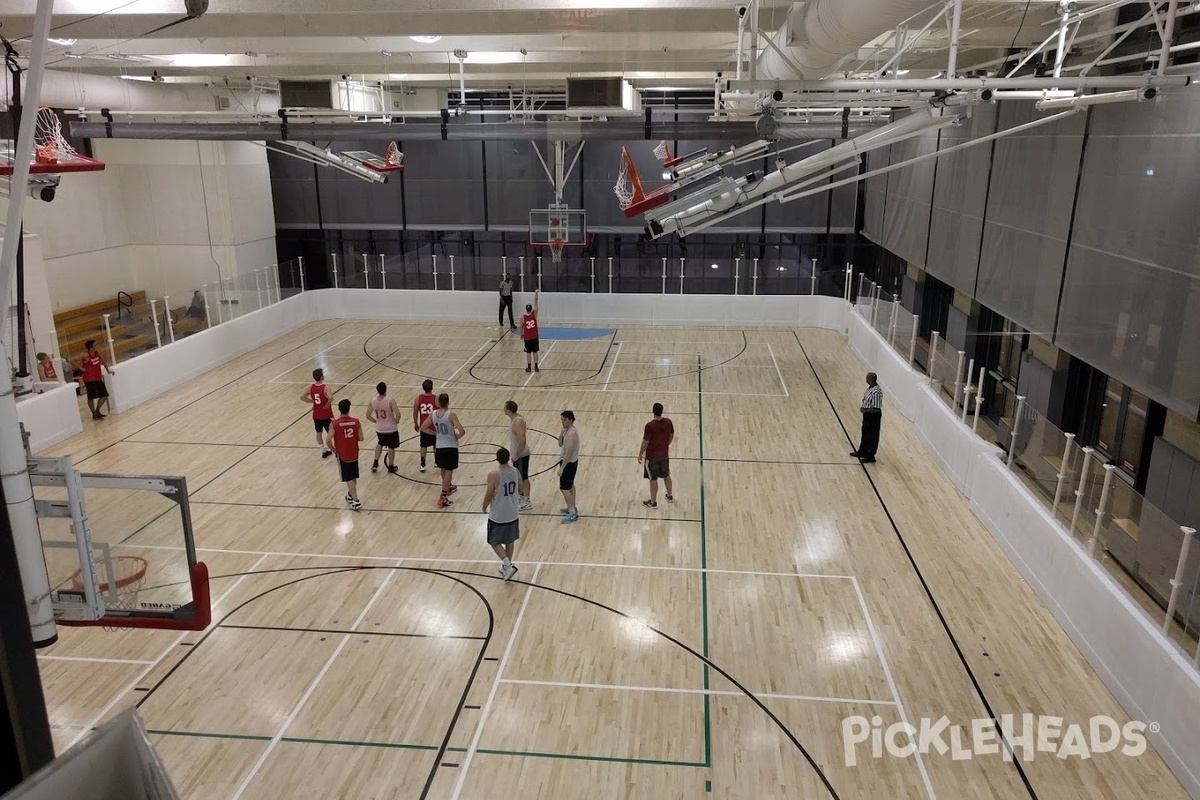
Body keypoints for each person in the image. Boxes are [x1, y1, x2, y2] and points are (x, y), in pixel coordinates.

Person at [482, 447, 522, 581]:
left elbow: (488, 495)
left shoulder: (494, 475)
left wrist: (484, 506)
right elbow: (521, 489)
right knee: (509, 541)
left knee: (494, 541)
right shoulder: (516, 471)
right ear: (508, 457)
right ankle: (507, 568)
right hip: (513, 512)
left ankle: (507, 565)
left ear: (497, 459)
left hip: (499, 515)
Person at [421, 392, 466, 508]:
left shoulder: (433, 414)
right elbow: (462, 431)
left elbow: (422, 427)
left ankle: (448, 488)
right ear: (448, 402)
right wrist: (456, 436)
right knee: (449, 471)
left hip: (439, 446)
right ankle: (443, 496)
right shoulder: (451, 414)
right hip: (450, 446)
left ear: (438, 402)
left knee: (443, 468)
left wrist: (435, 433)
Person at [327, 398, 364, 510]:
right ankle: (350, 495)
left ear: (339, 410)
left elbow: (328, 440)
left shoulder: (334, 424)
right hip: (354, 452)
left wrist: (333, 449)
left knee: (348, 477)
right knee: (353, 476)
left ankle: (356, 500)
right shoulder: (356, 421)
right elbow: (361, 438)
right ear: (349, 409)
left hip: (343, 454)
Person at [638, 402, 675, 508]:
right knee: (666, 475)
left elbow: (645, 442)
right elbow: (672, 435)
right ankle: (670, 496)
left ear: (653, 411)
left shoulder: (650, 426)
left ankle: (653, 502)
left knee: (653, 479)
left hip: (652, 458)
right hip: (664, 455)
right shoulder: (668, 422)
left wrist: (640, 453)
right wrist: (666, 445)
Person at [504, 400, 533, 511]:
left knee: (523, 478)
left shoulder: (517, 422)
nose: (503, 409)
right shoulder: (515, 419)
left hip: (521, 455)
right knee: (519, 478)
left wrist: (516, 454)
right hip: (518, 454)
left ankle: (527, 500)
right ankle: (521, 498)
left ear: (509, 410)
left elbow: (522, 441)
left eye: (505, 407)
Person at [366, 381, 400, 474]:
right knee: (391, 447)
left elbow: (368, 415)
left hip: (380, 428)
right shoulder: (390, 400)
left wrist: (376, 421)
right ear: (386, 389)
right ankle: (390, 466)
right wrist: (396, 421)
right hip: (391, 428)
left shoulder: (372, 401)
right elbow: (398, 414)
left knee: (380, 443)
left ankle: (375, 463)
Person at [301, 368, 334, 458]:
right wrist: (327, 404)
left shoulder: (310, 387)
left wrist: (312, 402)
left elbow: (302, 397)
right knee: (331, 432)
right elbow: (331, 398)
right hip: (326, 414)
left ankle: (323, 451)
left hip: (316, 414)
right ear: (322, 377)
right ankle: (333, 449)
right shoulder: (325, 387)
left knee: (318, 432)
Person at [851, 372, 883, 464]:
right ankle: (862, 451)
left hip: (873, 417)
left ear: (871, 379)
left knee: (872, 435)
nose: (866, 379)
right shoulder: (870, 388)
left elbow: (876, 408)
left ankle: (870, 455)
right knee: (865, 433)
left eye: (867, 378)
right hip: (867, 415)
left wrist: (865, 410)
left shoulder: (876, 391)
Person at [79, 339, 113, 420]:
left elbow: (103, 361)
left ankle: (97, 411)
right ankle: (94, 413)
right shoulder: (85, 355)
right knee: (90, 397)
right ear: (91, 348)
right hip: (89, 379)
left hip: (98, 378)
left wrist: (108, 370)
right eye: (95, 345)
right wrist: (81, 368)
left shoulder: (97, 353)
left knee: (104, 395)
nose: (97, 347)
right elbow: (72, 360)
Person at [557, 410, 580, 524]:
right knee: (570, 485)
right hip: (569, 462)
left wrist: (562, 467)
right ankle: (572, 506)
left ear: (571, 420)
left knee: (564, 488)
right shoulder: (566, 431)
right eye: (562, 420)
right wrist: (561, 433)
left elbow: (569, 452)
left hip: (569, 462)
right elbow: (560, 444)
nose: (562, 422)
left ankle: (572, 513)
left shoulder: (572, 433)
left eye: (565, 420)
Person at [412, 379, 437, 472]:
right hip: (433, 425)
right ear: (432, 387)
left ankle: (423, 463)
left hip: (423, 426)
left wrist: (415, 423)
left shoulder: (418, 398)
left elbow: (415, 412)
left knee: (423, 445)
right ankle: (436, 462)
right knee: (435, 445)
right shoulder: (436, 398)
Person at [521, 290, 540, 373]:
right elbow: (536, 303)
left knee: (528, 352)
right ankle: (536, 366)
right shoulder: (534, 314)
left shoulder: (522, 317)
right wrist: (536, 294)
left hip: (527, 337)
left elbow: (521, 327)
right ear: (531, 309)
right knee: (535, 351)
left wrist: (522, 334)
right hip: (534, 336)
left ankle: (529, 367)